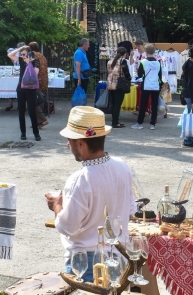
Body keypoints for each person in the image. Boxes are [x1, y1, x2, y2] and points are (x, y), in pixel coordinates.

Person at [46, 106, 136, 282]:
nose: (67, 145)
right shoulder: (123, 167)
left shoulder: (80, 179)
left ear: (81, 143)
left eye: (70, 140)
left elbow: (68, 227)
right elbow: (131, 210)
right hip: (119, 256)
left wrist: (56, 205)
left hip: (86, 262)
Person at [9, 46, 41, 141]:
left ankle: (36, 133)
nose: (22, 56)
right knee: (21, 112)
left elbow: (35, 74)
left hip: (31, 90)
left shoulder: (35, 61)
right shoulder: (21, 60)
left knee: (32, 112)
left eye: (24, 54)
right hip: (21, 89)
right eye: (21, 54)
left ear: (29, 53)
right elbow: (10, 55)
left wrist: (29, 63)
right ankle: (23, 133)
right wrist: (20, 48)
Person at [133, 44, 165, 130]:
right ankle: (152, 124)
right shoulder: (158, 62)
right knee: (154, 105)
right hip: (155, 86)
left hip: (146, 86)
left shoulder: (143, 62)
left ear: (146, 52)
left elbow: (140, 75)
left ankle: (140, 123)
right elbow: (160, 75)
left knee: (143, 105)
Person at [106, 46, 132, 129]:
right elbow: (126, 73)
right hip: (119, 85)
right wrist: (129, 79)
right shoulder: (122, 61)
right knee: (118, 104)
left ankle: (114, 121)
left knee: (113, 104)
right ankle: (115, 122)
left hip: (110, 84)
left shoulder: (110, 61)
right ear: (124, 54)